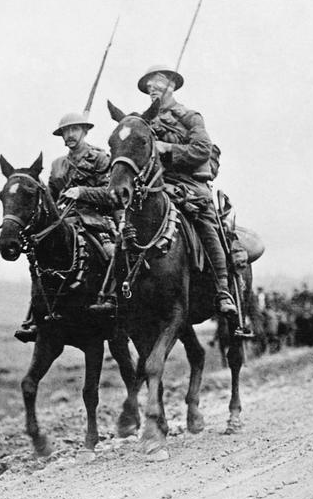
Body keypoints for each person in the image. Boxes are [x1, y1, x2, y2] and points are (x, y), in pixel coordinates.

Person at [138, 64, 237, 315]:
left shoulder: (190, 117)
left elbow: (202, 150)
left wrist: (168, 149)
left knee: (206, 223)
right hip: (158, 184)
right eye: (148, 86)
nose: (152, 89)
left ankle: (223, 288)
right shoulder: (144, 120)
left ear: (171, 86)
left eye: (157, 84)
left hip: (190, 184)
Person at [16, 112, 114, 341]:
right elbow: (51, 197)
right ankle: (33, 317)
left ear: (85, 131)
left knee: (111, 253)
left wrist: (82, 192)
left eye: (74, 130)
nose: (69, 135)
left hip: (95, 220)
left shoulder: (100, 159)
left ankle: (112, 301)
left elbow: (111, 195)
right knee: (39, 257)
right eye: (65, 132)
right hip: (63, 220)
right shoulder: (58, 164)